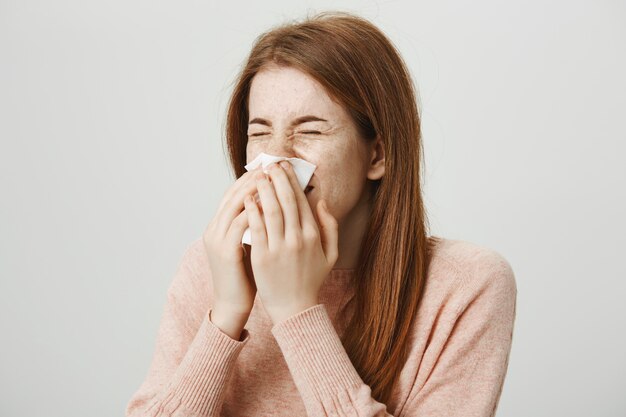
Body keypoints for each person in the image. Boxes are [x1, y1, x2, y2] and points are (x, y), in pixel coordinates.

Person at [125, 11, 517, 417]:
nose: (276, 158)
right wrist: (224, 316)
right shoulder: (211, 266)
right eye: (259, 132)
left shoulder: (465, 285)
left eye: (309, 130)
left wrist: (296, 311)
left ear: (377, 154)